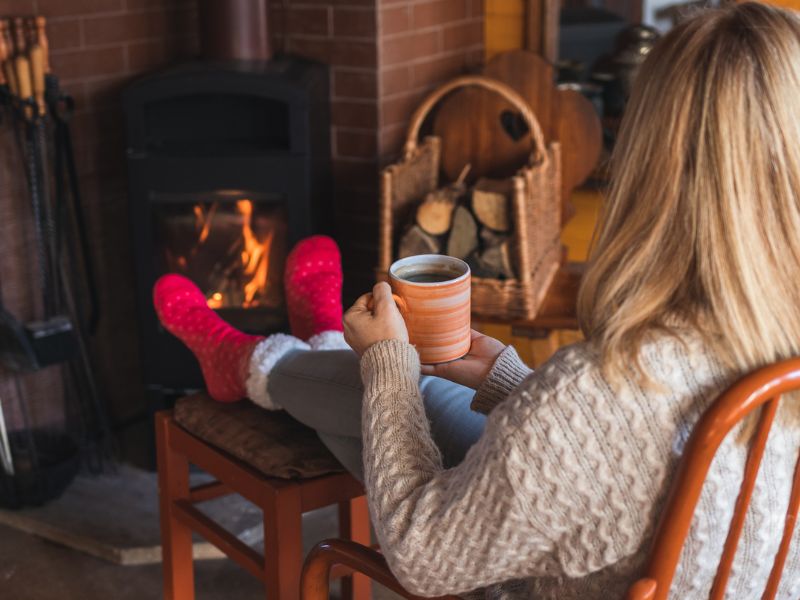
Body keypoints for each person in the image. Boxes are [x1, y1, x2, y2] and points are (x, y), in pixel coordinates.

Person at [153, 4, 800, 598]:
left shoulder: (605, 390)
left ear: (650, 165)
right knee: (428, 391)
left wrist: (386, 363)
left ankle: (255, 364)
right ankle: (299, 351)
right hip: (621, 535)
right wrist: (507, 378)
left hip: (515, 583)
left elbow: (421, 557)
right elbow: (624, 457)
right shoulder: (767, 349)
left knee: (388, 388)